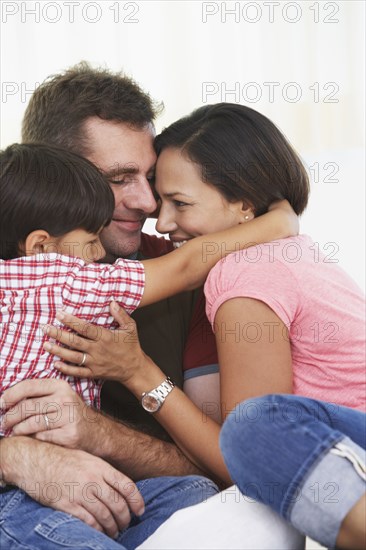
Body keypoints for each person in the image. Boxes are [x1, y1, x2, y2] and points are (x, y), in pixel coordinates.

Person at [0, 64, 301, 549]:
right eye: (119, 179)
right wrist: (17, 457)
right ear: (58, 174)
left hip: (132, 499)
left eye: (152, 177)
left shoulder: (203, 278)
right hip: (20, 506)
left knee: (252, 514)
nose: (147, 204)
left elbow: (237, 469)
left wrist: (100, 428)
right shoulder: (45, 275)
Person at [39, 103, 365, 549]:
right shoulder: (282, 254)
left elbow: (242, 460)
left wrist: (138, 372)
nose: (157, 212)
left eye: (179, 202)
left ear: (245, 205)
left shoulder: (243, 275)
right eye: (121, 179)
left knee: (254, 431)